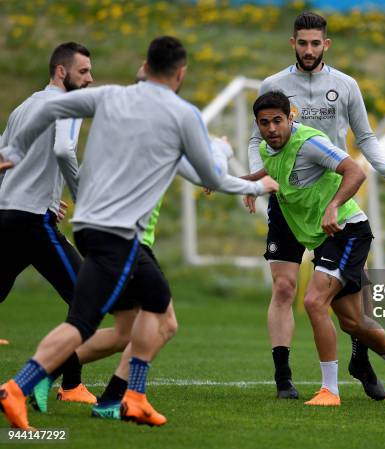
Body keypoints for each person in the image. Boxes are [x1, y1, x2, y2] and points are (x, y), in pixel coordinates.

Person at [0, 35, 260, 429]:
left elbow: (51, 109)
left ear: (146, 66)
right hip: (115, 234)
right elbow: (210, 174)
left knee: (158, 307)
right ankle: (20, 386)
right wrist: (253, 181)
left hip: (91, 226)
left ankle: (133, 397)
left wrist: (15, 150)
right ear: (181, 73)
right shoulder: (181, 113)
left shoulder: (111, 98)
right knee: (84, 321)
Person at [244, 11, 385, 401]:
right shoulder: (273, 86)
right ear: (292, 44)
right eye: (301, 43)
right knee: (286, 287)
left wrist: (384, 168)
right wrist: (259, 178)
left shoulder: (345, 85)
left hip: (336, 198)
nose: (308, 50)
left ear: (326, 45)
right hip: (289, 203)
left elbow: (365, 136)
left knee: (350, 297)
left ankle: (362, 361)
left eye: (314, 43)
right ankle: (284, 377)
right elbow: (256, 140)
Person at [0, 42, 97, 404]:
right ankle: (69, 385)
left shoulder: (25, 106)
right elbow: (62, 150)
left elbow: (5, 157)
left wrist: (41, 196)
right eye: (83, 71)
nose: (90, 79)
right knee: (87, 297)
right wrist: (81, 194)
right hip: (31, 222)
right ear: (61, 72)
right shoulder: (67, 105)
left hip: (8, 214)